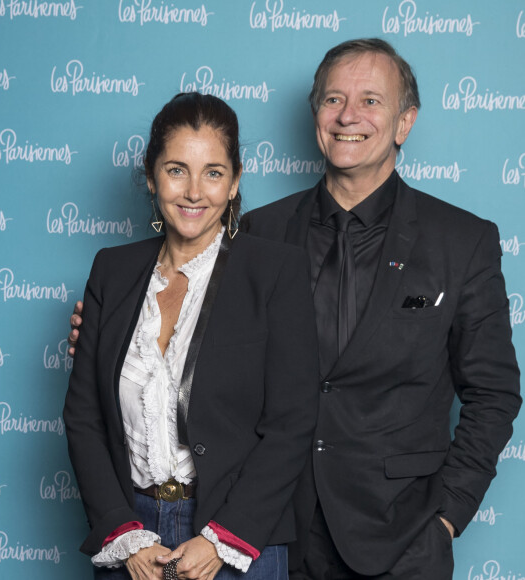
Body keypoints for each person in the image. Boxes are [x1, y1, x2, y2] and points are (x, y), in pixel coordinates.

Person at [69, 39, 521, 579]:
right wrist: (102, 335)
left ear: (405, 122)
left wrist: (446, 514)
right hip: (274, 528)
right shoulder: (256, 234)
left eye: (371, 101)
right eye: (333, 99)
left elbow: (493, 393)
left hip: (401, 532)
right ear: (315, 115)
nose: (348, 115)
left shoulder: (461, 242)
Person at [64, 92, 319, 580]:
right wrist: (123, 533)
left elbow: (292, 422)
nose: (194, 191)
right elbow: (83, 417)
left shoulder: (275, 272)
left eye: (214, 172)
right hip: (135, 536)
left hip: (240, 538)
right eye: (177, 169)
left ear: (235, 180)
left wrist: (222, 538)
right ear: (152, 175)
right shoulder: (111, 271)